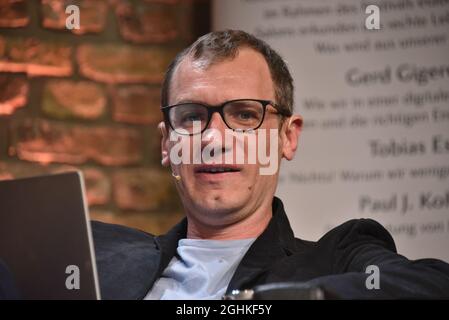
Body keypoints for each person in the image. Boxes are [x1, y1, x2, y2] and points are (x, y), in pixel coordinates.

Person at [92, 30, 449, 300]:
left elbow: (435, 284)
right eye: (191, 117)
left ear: (288, 137)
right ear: (167, 143)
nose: (213, 140)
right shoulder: (97, 253)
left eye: (245, 114)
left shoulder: (338, 257)